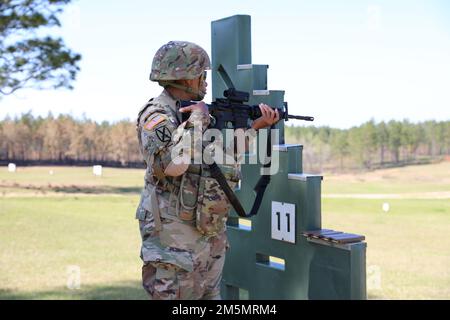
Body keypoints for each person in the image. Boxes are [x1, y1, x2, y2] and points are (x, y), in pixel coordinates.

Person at [135, 40, 279, 300]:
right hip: (173, 240)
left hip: (206, 233)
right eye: (201, 75)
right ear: (186, 77)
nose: (205, 81)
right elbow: (172, 165)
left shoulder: (198, 115)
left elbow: (221, 157)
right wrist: (198, 120)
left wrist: (256, 127)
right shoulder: (156, 115)